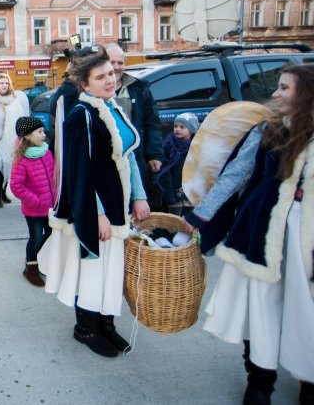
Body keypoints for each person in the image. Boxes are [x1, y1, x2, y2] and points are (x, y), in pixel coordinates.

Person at [181, 64, 314, 404]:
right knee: (261, 309)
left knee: (306, 313)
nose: (275, 94)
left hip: (307, 241)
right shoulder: (267, 130)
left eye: (284, 88)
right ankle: (260, 382)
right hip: (262, 235)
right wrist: (199, 217)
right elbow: (233, 176)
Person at [38, 51, 150, 358]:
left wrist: (139, 196)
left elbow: (128, 158)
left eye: (111, 74)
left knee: (111, 270)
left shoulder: (113, 108)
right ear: (85, 85)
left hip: (119, 206)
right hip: (94, 210)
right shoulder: (81, 115)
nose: (110, 79)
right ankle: (86, 328)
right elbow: (79, 170)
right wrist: (98, 213)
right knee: (92, 271)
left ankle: (107, 324)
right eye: (100, 77)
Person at [105, 43, 163, 209]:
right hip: (107, 160)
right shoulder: (96, 90)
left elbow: (152, 123)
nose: (116, 67)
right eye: (112, 62)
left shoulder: (139, 88)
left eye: (120, 63)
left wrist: (154, 154)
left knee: (135, 202)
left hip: (134, 157)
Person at [9, 116, 55, 287]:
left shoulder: (47, 152)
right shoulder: (21, 159)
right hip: (34, 210)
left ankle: (40, 258)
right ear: (27, 135)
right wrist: (35, 201)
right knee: (35, 238)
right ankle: (31, 267)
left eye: (43, 131)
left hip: (51, 207)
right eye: (40, 132)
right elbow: (16, 186)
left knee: (51, 235)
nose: (44, 135)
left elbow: (54, 176)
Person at [0, 73, 29, 208]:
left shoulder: (15, 99)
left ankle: (4, 192)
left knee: (9, 165)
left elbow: (20, 118)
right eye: (2, 83)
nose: (4, 85)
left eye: (6, 83)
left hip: (11, 138)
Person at [154, 113, 198, 217]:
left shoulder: (196, 146)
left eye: (182, 127)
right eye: (175, 126)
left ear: (191, 130)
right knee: (174, 223)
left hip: (191, 194)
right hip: (174, 193)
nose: (177, 129)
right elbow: (165, 172)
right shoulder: (168, 145)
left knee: (190, 223)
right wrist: (169, 195)